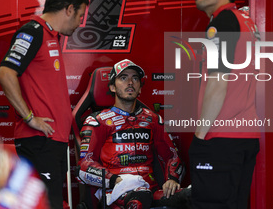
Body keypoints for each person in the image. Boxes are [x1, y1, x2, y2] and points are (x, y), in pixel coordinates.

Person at [0, 0, 89, 209]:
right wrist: (29, 118)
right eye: (80, 15)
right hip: (39, 142)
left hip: (52, 143)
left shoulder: (51, 36)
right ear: (68, 9)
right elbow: (5, 73)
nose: (80, 22)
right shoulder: (32, 32)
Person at [182, 0, 260, 209]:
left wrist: (200, 136)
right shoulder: (246, 21)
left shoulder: (224, 22)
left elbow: (217, 83)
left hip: (221, 138)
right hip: (245, 136)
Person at [77, 59, 190, 209]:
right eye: (123, 78)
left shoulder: (153, 119)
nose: (130, 82)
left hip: (152, 191)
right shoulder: (97, 121)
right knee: (139, 200)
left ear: (140, 88)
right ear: (112, 87)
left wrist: (172, 179)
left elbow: (172, 157)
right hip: (116, 194)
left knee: (191, 196)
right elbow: (84, 167)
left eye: (135, 78)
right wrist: (115, 180)